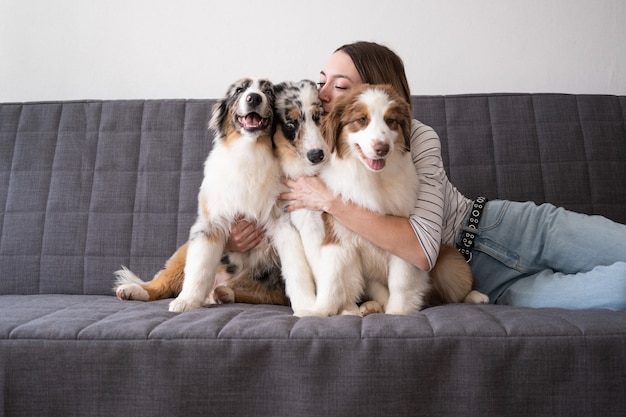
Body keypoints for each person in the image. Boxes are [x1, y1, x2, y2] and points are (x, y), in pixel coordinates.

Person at [229, 41, 626, 310]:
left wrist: (331, 202)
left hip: (504, 227)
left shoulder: (415, 136)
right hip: (478, 282)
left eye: (341, 84)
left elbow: (421, 249)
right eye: (322, 82)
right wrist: (237, 233)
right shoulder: (317, 142)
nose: (325, 93)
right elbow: (272, 199)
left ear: (376, 92)